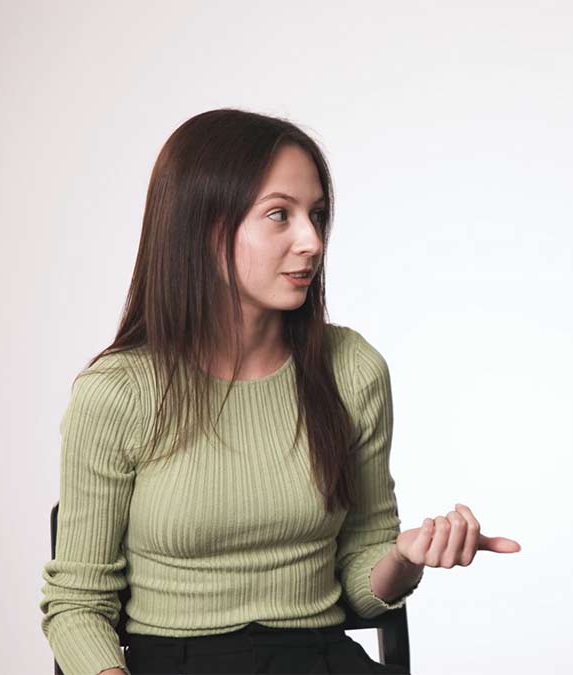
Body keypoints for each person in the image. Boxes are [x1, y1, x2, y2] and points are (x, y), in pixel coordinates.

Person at [40, 109, 521, 675]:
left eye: (316, 215)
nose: (312, 241)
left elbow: (363, 583)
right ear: (203, 226)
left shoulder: (352, 370)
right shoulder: (119, 393)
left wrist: (404, 557)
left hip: (319, 656)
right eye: (279, 215)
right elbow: (77, 606)